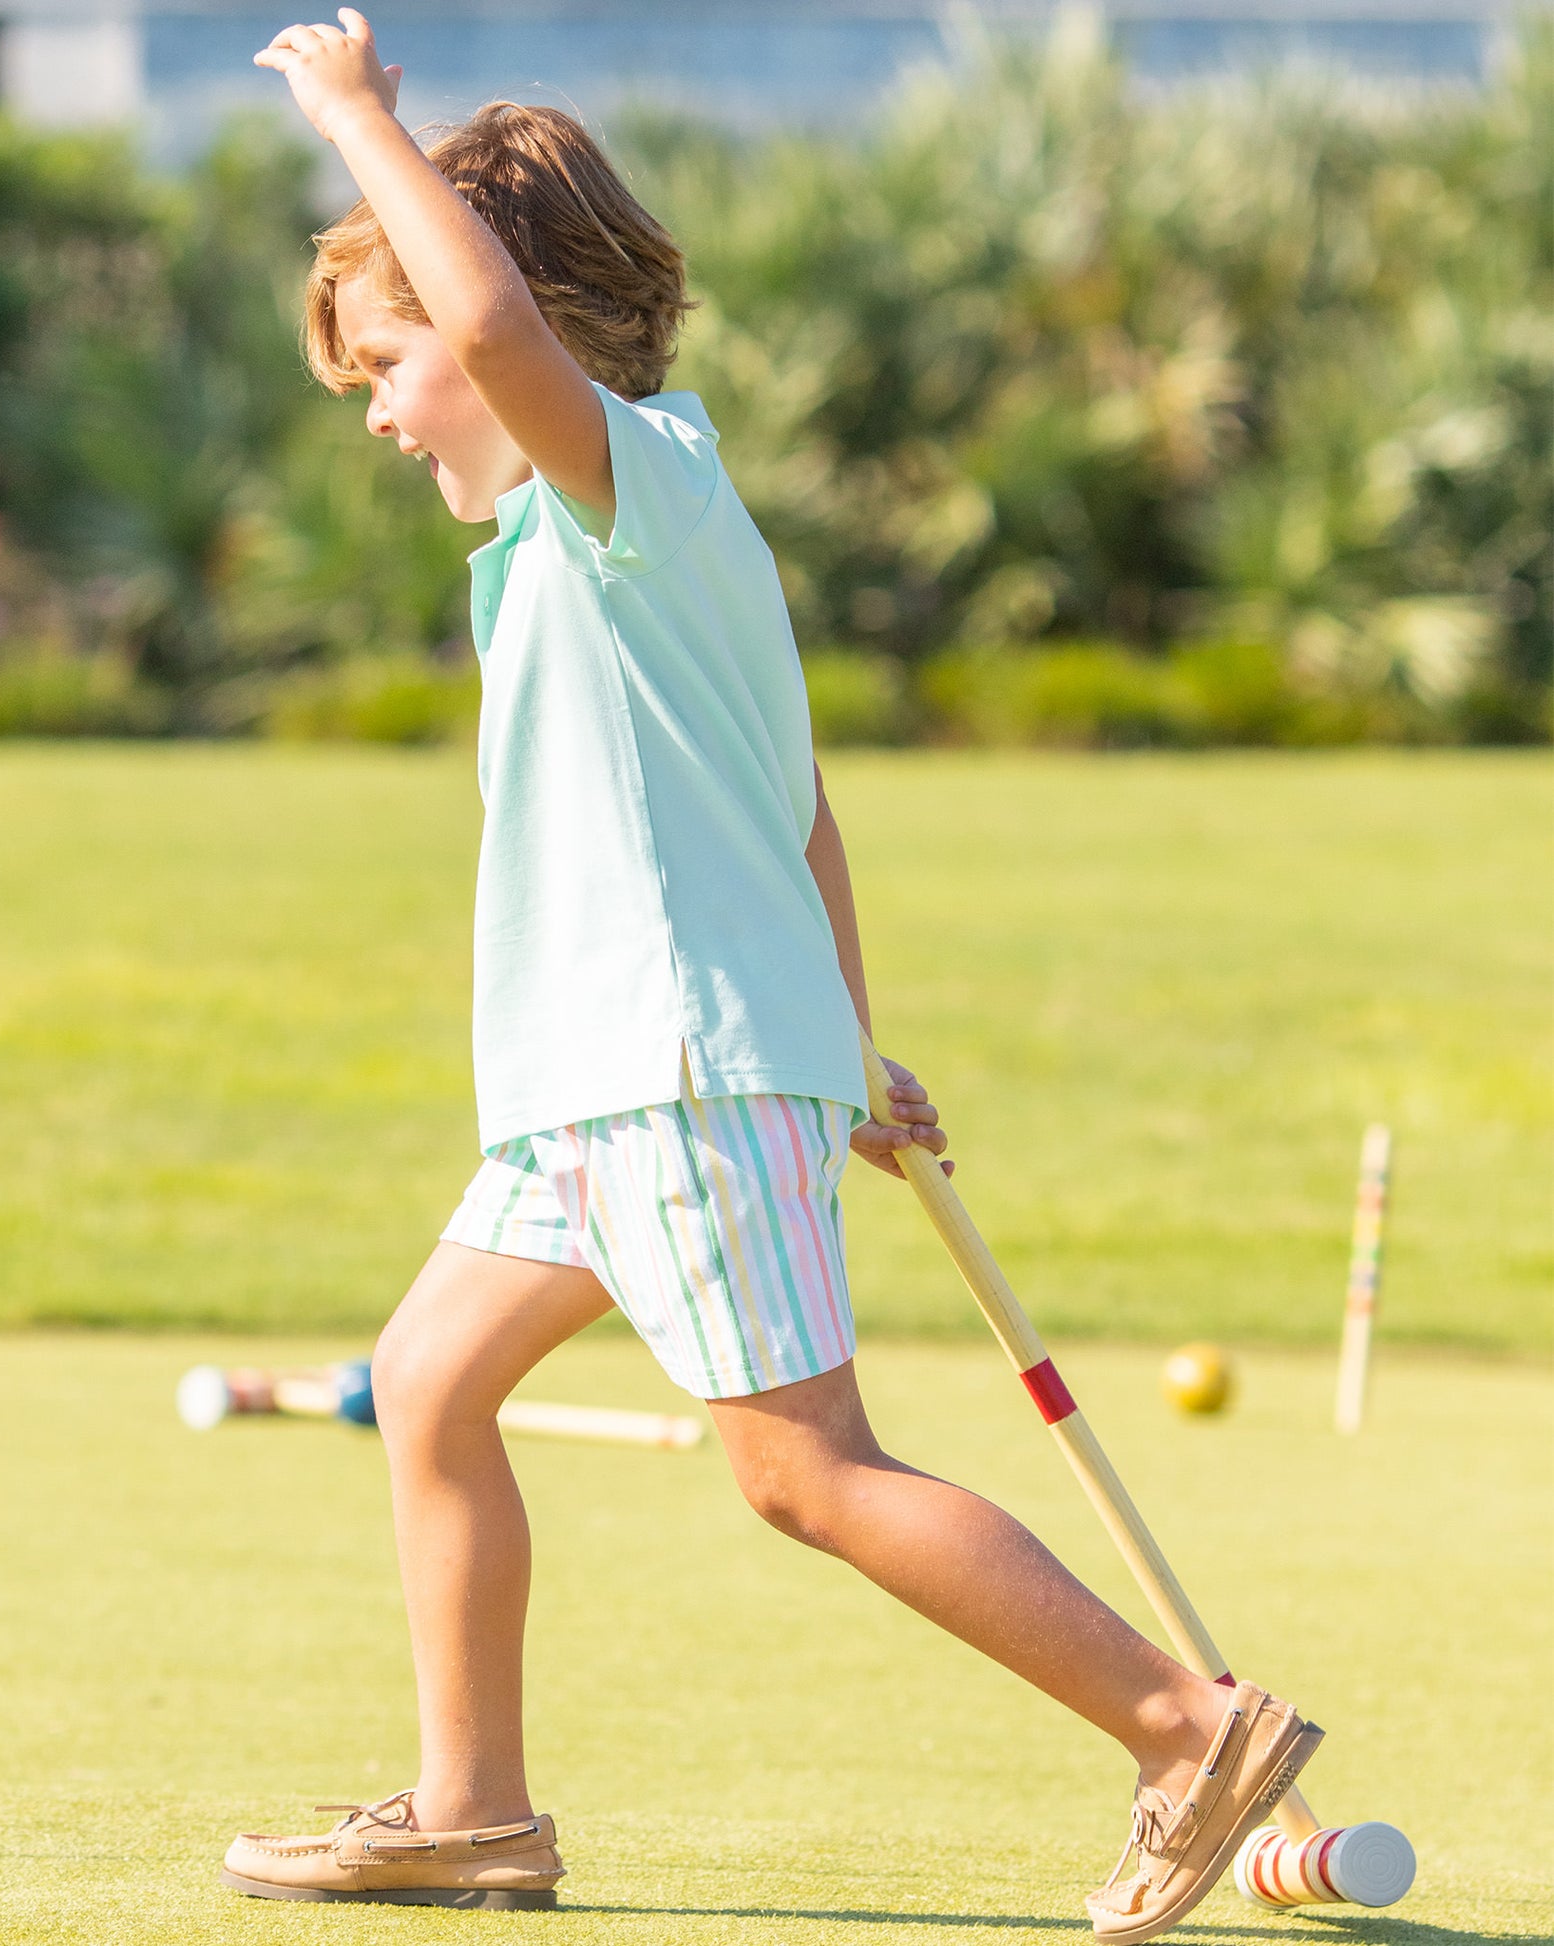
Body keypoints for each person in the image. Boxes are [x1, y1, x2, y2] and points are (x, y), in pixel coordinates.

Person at [227, 15, 1321, 1938]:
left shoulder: (621, 492)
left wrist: (348, 118)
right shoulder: (629, 535)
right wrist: (849, 1038)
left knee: (801, 1468)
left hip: (668, 1067)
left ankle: (1181, 1723)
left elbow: (489, 341)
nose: (388, 415)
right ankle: (474, 1807)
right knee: (427, 1383)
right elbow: (798, 817)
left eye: (387, 366)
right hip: (608, 1078)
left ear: (509, 328)